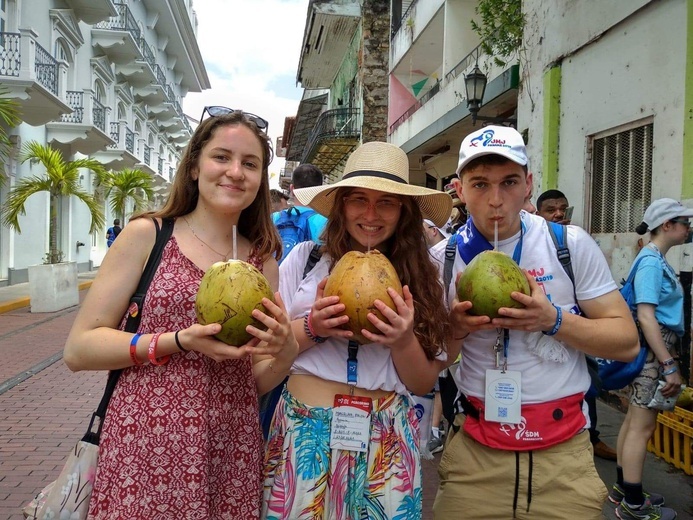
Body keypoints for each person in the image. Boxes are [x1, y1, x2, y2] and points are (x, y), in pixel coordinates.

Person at [63, 108, 299, 519]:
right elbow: (79, 349)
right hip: (144, 445)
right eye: (221, 157)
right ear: (194, 167)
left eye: (250, 164)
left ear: (261, 179)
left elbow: (252, 379)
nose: (235, 172)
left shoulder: (264, 264)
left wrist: (284, 351)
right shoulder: (148, 236)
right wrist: (174, 341)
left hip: (229, 449)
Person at [431, 125, 640, 519]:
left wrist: (554, 319)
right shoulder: (442, 260)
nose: (496, 200)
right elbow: (429, 364)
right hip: (476, 454)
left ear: (528, 184)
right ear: (458, 190)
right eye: (479, 185)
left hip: (563, 459)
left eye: (509, 182)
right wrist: (457, 328)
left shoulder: (569, 245)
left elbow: (626, 341)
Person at [262, 141, 454, 519]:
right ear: (341, 206)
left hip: (387, 437)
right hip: (304, 430)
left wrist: (402, 340)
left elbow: (420, 383)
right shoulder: (303, 261)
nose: (371, 214)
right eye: (358, 200)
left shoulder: (427, 276)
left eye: (386, 202)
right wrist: (313, 327)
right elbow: (263, 363)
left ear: (404, 211)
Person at [609, 198, 691, 520]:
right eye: (684, 223)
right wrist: (669, 364)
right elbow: (646, 316)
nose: (688, 229)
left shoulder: (653, 258)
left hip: (650, 353)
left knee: (633, 421)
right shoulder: (652, 263)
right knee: (642, 427)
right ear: (667, 226)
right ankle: (633, 505)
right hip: (654, 354)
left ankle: (624, 489)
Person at [536, 189, 618, 461]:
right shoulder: (533, 250)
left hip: (581, 336)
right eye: (551, 210)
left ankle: (590, 436)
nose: (559, 214)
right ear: (539, 214)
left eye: (562, 208)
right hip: (545, 345)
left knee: (588, 388)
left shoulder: (577, 244)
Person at [271, 163, 328, 263]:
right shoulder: (326, 222)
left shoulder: (273, 218)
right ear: (320, 190)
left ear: (292, 189)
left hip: (274, 277)